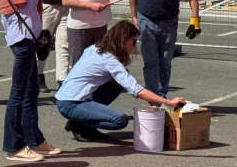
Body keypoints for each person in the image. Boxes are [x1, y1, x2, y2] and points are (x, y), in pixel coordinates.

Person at [0, 0, 98, 162]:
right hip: (23, 40)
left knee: (30, 92)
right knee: (19, 94)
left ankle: (35, 141)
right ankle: (13, 146)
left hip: (23, 39)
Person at [56, 20, 186, 142]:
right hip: (71, 103)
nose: (134, 46)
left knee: (117, 84)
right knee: (119, 120)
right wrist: (169, 102)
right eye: (134, 42)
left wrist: (152, 98)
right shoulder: (110, 60)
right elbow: (136, 90)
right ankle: (78, 123)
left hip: (66, 98)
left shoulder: (96, 48)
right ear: (123, 39)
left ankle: (81, 121)